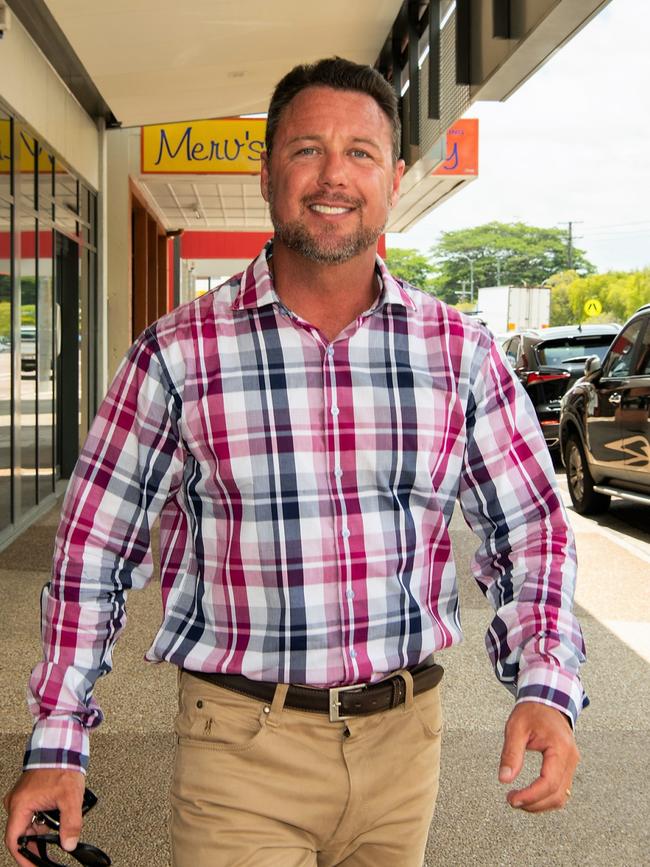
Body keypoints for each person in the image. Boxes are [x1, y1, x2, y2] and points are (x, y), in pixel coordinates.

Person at [4, 57, 586, 867]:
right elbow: (92, 552)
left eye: (361, 152)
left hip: (405, 744)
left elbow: (530, 530)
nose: (333, 175)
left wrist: (546, 683)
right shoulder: (177, 354)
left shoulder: (460, 352)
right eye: (307, 149)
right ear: (269, 171)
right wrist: (58, 741)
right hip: (240, 747)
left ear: (394, 177)